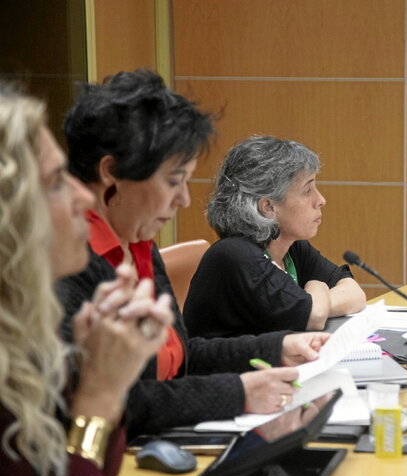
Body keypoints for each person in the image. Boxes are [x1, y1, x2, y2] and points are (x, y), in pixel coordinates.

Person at [55, 70, 330, 439]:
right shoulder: (65, 267)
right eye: (173, 181)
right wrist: (238, 394)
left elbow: (181, 360)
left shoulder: (138, 243)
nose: (184, 199)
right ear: (112, 173)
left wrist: (276, 347)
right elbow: (106, 401)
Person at [0, 85, 171, 476]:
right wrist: (99, 394)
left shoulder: (28, 333)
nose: (83, 195)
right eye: (57, 182)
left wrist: (96, 381)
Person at [184, 136, 366, 338]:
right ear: (268, 207)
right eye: (307, 191)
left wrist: (317, 298)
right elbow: (313, 315)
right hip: (228, 368)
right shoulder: (235, 255)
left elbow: (355, 294)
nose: (321, 200)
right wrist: (318, 286)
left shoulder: (290, 247)